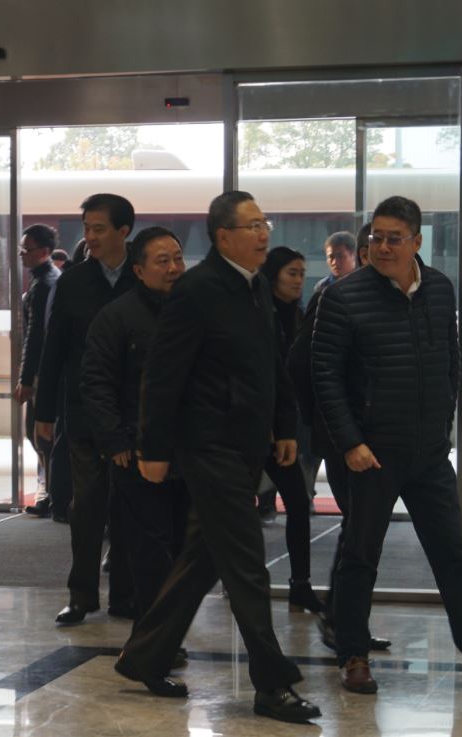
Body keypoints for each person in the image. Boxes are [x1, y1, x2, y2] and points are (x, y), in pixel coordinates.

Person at [312, 196, 462, 694]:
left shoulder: (439, 288)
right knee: (360, 556)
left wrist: (443, 423)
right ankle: (353, 655)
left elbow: (450, 359)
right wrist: (350, 442)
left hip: (429, 452)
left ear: (417, 241)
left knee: (453, 553)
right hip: (372, 454)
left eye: (394, 238)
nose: (383, 247)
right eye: (376, 237)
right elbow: (323, 375)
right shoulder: (344, 297)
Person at [114, 191, 321, 725]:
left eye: (264, 222)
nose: (264, 233)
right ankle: (271, 684)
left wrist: (284, 425)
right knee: (248, 567)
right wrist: (154, 448)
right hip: (209, 446)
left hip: (245, 444)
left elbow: (271, 361)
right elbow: (163, 374)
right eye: (253, 225)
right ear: (224, 236)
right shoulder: (198, 289)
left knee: (202, 558)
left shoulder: (255, 285)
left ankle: (145, 656)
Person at [286, 228, 393, 654]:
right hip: (345, 438)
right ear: (364, 254)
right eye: (380, 247)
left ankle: (346, 623)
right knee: (358, 532)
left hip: (377, 437)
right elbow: (302, 363)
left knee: (362, 533)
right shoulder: (334, 298)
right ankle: (341, 624)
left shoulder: (386, 299)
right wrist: (325, 421)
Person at [35, 194, 137, 623]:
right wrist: (44, 412)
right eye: (87, 228)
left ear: (123, 231)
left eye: (98, 229)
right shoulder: (74, 281)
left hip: (133, 414)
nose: (89, 237)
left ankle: (126, 595)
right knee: (87, 506)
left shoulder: (143, 274)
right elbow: (53, 348)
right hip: (83, 411)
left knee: (129, 507)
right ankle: (81, 595)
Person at [82, 226, 190, 620]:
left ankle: (164, 630)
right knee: (150, 547)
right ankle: (154, 632)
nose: (174, 268)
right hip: (135, 451)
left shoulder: (193, 312)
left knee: (182, 544)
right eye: (163, 261)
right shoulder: (117, 317)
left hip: (188, 450)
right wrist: (115, 440)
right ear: (140, 270)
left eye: (177, 258)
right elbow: (96, 382)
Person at [255, 246, 322, 614]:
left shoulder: (297, 315)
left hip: (283, 430)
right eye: (292, 273)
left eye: (301, 274)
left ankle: (300, 585)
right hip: (252, 429)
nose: (299, 281)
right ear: (273, 275)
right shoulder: (256, 313)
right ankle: (242, 583)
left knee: (297, 502)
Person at [14, 224, 62, 519]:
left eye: (26, 249)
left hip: (43, 374)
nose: (22, 254)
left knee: (39, 435)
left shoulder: (44, 284)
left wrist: (26, 378)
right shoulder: (49, 279)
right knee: (43, 437)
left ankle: (51, 495)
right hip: (47, 371)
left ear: (44, 251)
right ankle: (51, 493)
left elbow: (35, 336)